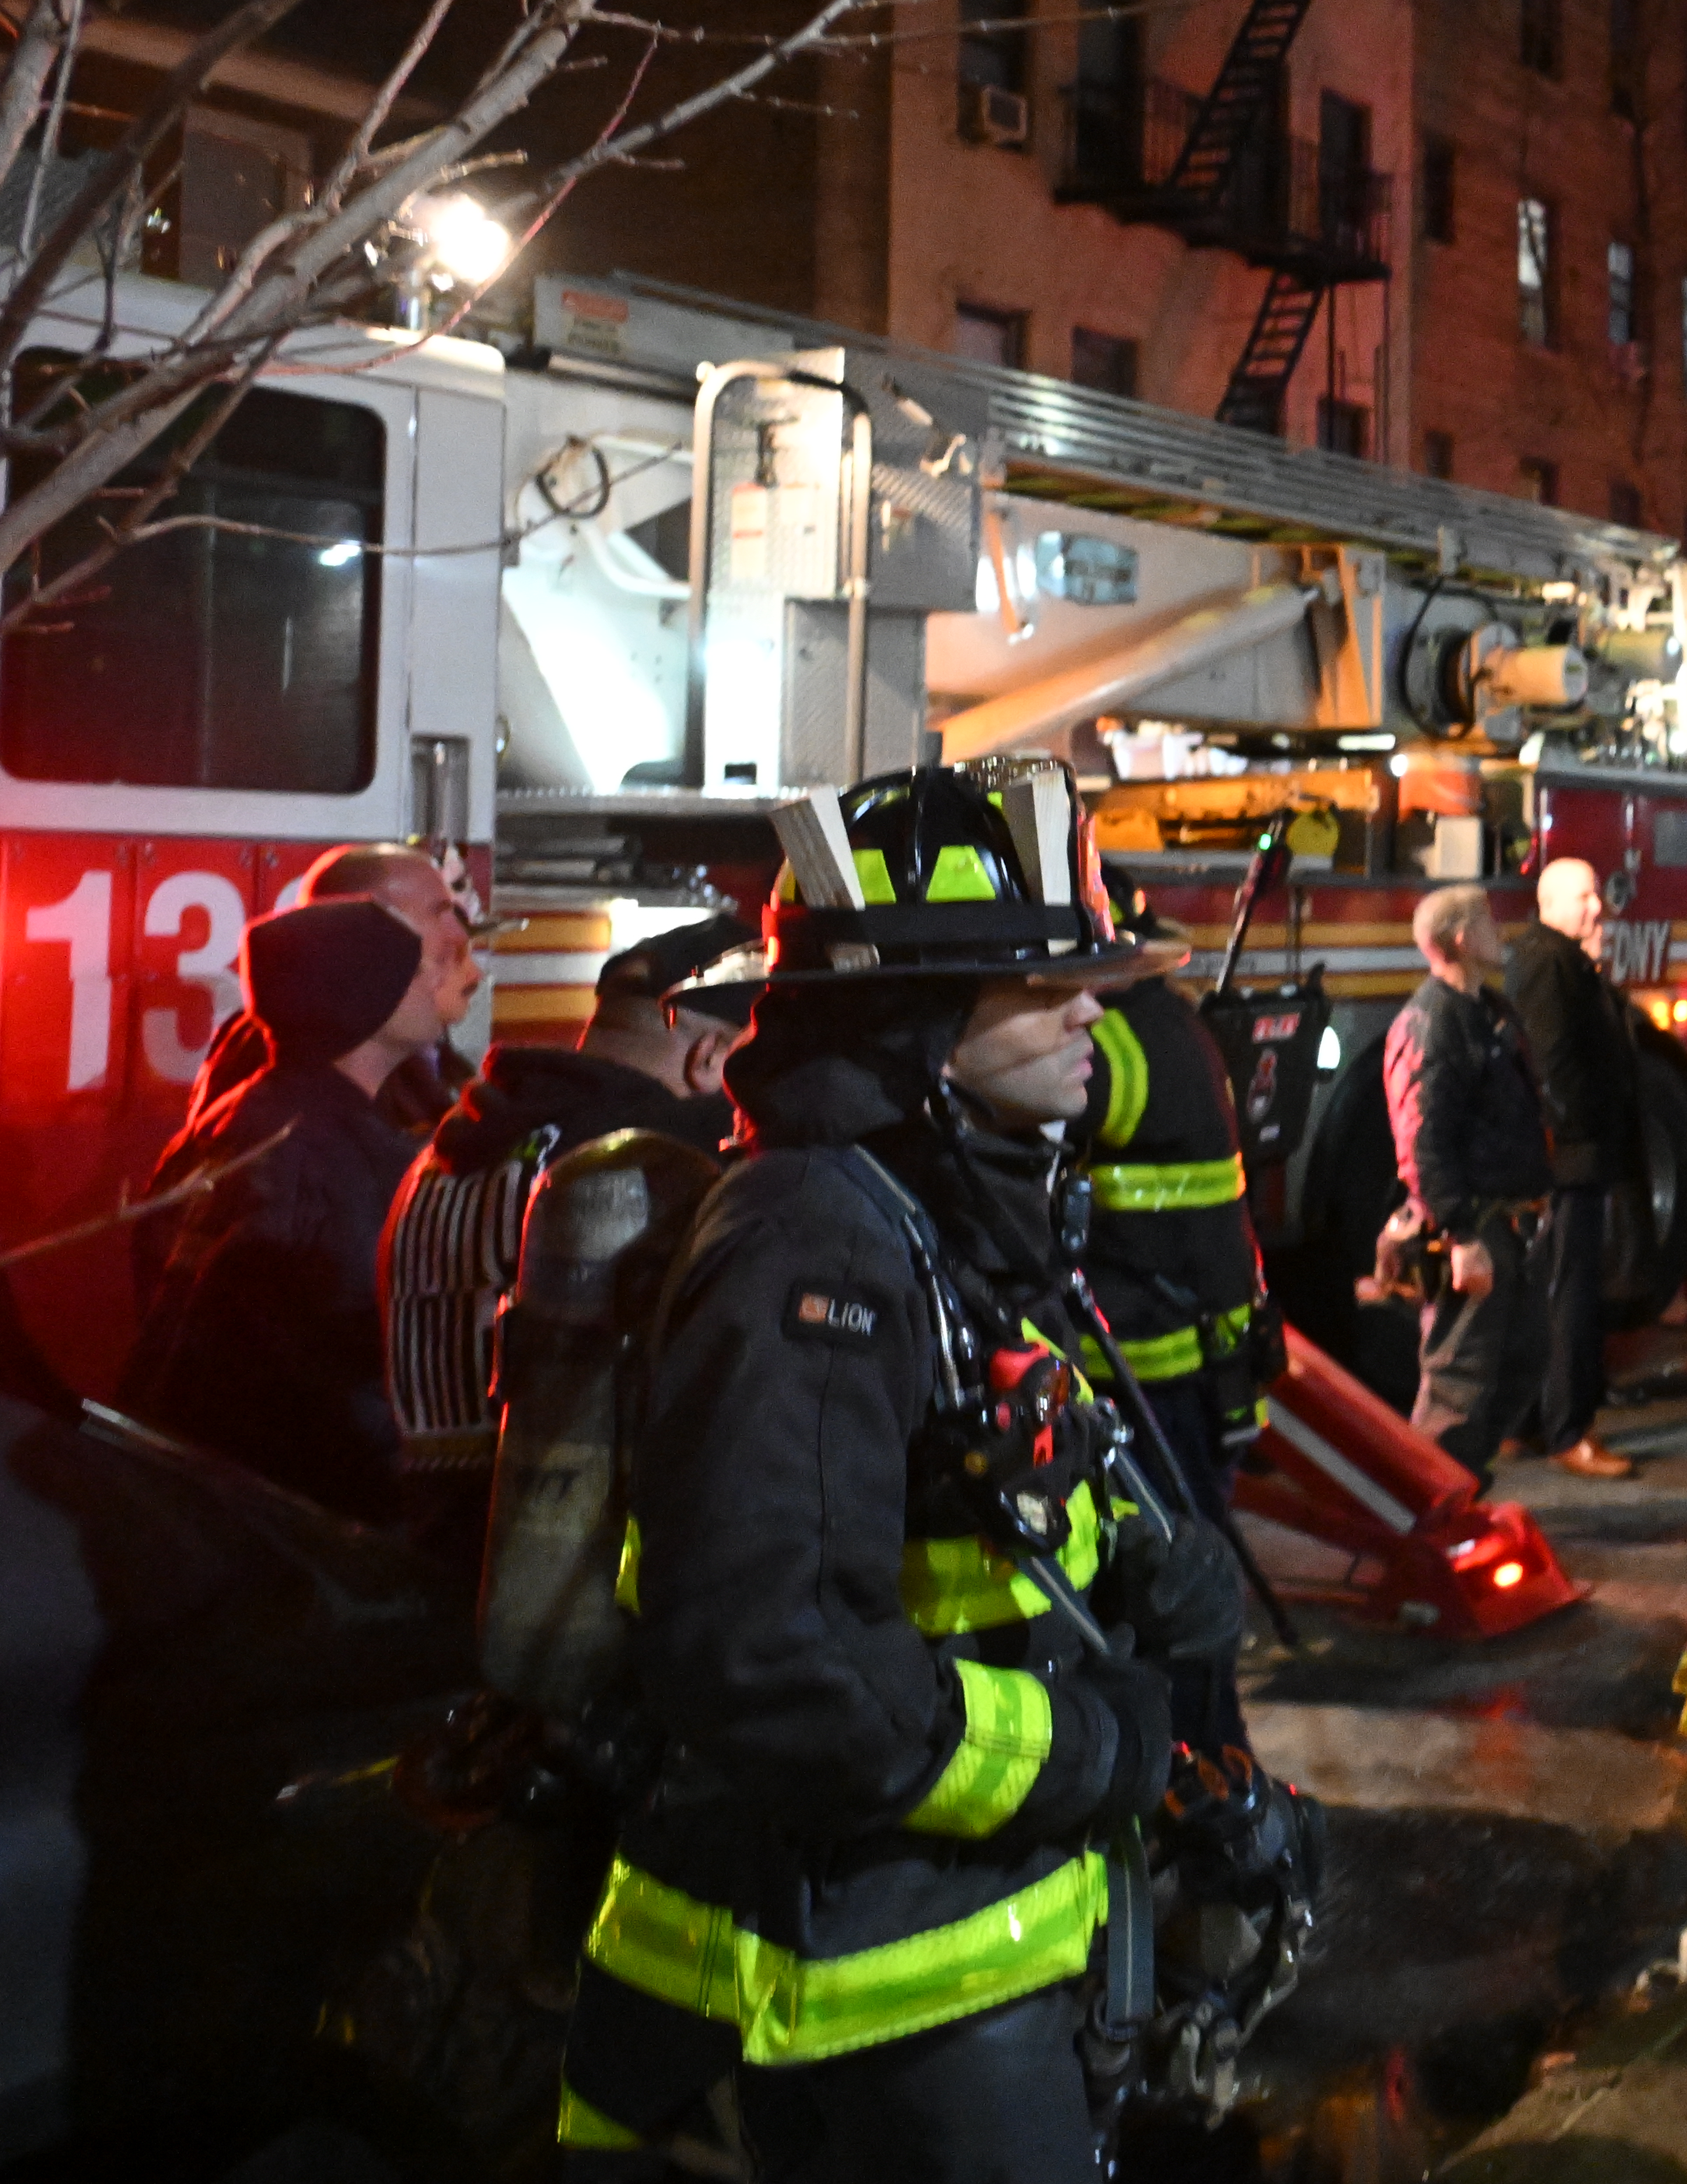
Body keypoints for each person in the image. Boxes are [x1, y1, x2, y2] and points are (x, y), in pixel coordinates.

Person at [557, 764, 1239, 2174]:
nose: (1090, 1009)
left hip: (949, 1963)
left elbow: (963, 1499)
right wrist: (1096, 1744)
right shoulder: (816, 1242)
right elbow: (776, 1654)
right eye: (1036, 985)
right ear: (908, 1014)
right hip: (854, 2002)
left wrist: (1140, 1569)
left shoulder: (936, 1208)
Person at [380, 911, 749, 1575]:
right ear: (712, 1058)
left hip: (428, 1556)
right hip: (573, 1597)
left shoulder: (443, 1155)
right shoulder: (657, 1174)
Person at [118, 897, 458, 1525]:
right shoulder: (333, 1159)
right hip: (294, 1511)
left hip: (203, 1491)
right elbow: (353, 1363)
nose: (437, 980)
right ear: (362, 1000)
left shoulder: (241, 1117)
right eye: (414, 973)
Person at [1073, 909, 1276, 1749]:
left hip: (1149, 1368)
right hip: (1206, 1353)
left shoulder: (1113, 1045)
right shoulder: (1175, 1023)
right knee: (1194, 1572)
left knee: (1168, 1588)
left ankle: (1203, 1785)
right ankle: (1213, 1776)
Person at [1378, 887, 1556, 1476]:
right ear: (1459, 937)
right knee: (1458, 1382)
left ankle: (1462, 1484)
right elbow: (1422, 1142)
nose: (1498, 929)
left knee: (1522, 1361)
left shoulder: (1488, 1011)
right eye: (1486, 920)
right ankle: (1427, 1510)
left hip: (1511, 1222)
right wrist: (1460, 1234)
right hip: (1476, 1228)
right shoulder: (1432, 1024)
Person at [172, 839, 492, 1146]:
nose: (456, 933)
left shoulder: (390, 1045)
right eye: (438, 912)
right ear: (368, 924)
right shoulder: (286, 1057)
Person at [1491, 855, 1642, 1479]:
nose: (1597, 907)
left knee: (1547, 1293)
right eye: (1584, 896)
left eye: (1597, 895)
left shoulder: (1554, 959)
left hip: (1567, 1159)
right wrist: (1575, 1136)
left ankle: (1525, 1422)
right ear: (1549, 903)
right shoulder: (1550, 964)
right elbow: (1555, 1063)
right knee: (1569, 1297)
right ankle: (1569, 1430)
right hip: (1570, 1163)